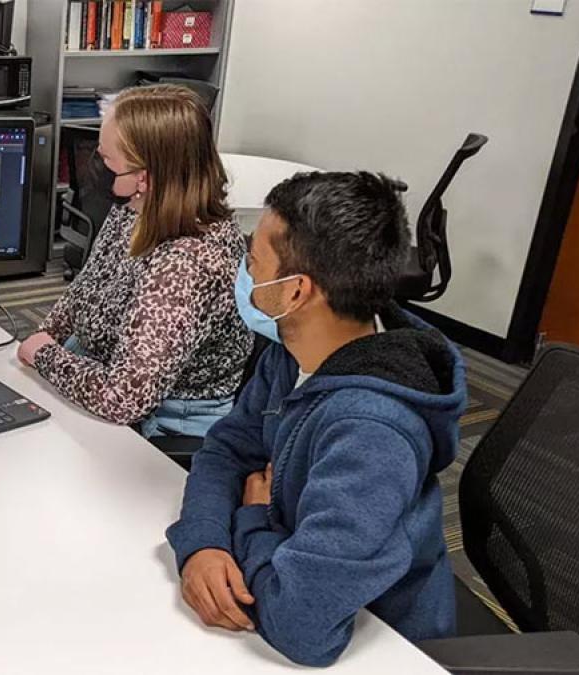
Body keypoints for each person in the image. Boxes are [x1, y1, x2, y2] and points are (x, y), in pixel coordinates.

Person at [165, 171, 466, 667]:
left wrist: (253, 519)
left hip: (383, 646)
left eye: (253, 260)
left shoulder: (373, 435)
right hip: (289, 576)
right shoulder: (295, 348)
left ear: (296, 291)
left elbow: (304, 629)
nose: (246, 270)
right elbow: (226, 450)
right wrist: (204, 543)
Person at [17, 84, 252, 439]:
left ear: (145, 177)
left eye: (108, 160)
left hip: (165, 415)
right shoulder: (137, 207)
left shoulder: (188, 263)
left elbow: (123, 399)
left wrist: (45, 356)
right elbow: (87, 286)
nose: (96, 168)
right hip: (101, 364)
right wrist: (46, 334)